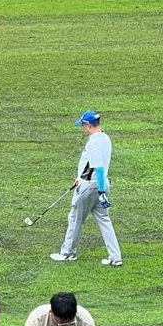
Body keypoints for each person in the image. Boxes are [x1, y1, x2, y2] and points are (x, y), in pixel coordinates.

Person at [50, 110, 122, 266]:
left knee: (75, 219)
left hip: (91, 187)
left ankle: (68, 253)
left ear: (88, 125)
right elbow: (93, 166)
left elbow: (99, 168)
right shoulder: (105, 138)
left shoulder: (93, 143)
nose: (82, 128)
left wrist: (100, 191)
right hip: (99, 184)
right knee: (105, 221)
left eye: (83, 125)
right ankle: (115, 257)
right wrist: (81, 177)